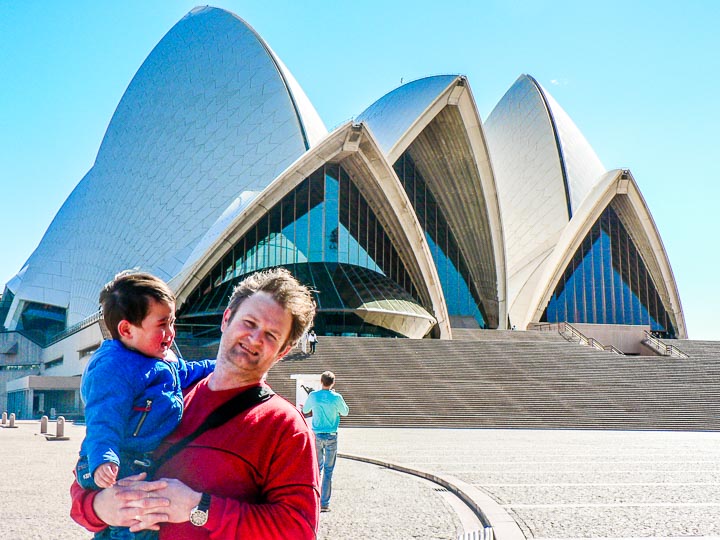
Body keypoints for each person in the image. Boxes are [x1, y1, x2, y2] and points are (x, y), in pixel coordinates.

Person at [70, 267, 319, 539]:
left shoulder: (285, 426)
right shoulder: (165, 395)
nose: (255, 338)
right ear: (226, 319)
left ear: (282, 351)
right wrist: (100, 507)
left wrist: (199, 508)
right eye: (249, 323)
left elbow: (299, 530)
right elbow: (83, 489)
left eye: (271, 335)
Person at [76, 271, 216, 540]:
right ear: (126, 329)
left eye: (172, 322)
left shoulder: (160, 359)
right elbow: (103, 419)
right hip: (113, 460)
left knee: (140, 517)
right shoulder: (113, 368)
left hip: (137, 458)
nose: (171, 333)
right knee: (138, 519)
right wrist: (104, 458)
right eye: (162, 324)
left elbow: (187, 371)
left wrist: (218, 366)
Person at [302, 371, 349, 512]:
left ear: (321, 382)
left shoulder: (313, 396)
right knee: (329, 470)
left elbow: (305, 409)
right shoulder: (336, 397)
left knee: (317, 469)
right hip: (331, 435)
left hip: (317, 435)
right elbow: (345, 412)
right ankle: (324, 503)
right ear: (332, 383)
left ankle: (313, 500)